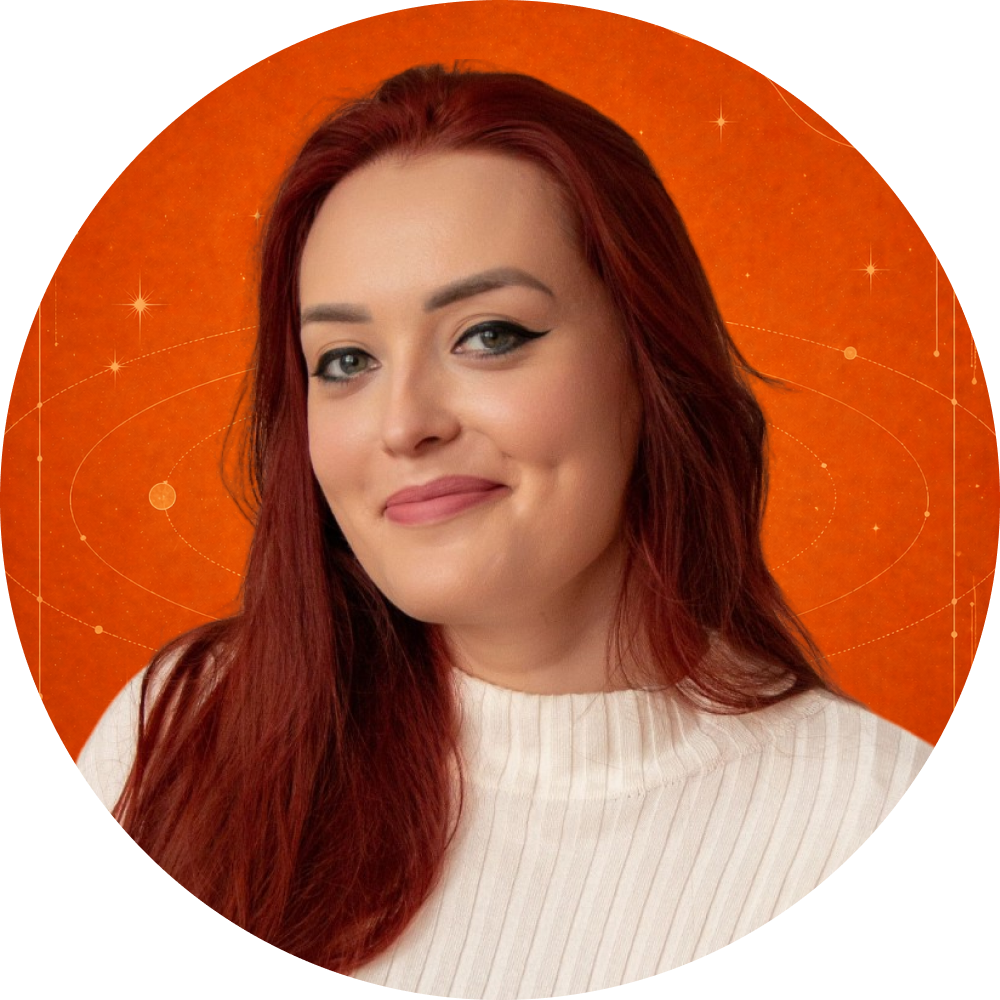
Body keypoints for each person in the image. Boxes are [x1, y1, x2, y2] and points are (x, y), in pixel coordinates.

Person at [77, 64, 931, 993]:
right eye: (347, 360)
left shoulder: (864, 810)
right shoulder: (181, 731)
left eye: (489, 335)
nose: (405, 424)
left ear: (651, 363)